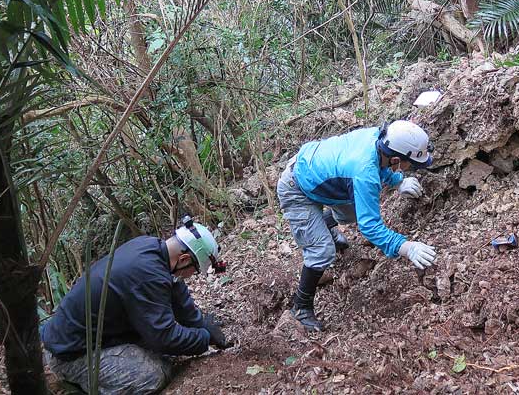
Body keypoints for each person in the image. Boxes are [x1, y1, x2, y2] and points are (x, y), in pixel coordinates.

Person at [277, 120, 437, 332]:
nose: (411, 168)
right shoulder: (364, 173)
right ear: (397, 159)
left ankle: (322, 227)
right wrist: (406, 247)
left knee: (351, 213)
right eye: (411, 164)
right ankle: (302, 306)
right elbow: (370, 227)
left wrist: (398, 180)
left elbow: (381, 164)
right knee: (322, 252)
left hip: (319, 171)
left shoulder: (378, 139)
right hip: (296, 186)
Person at [41, 216, 231, 394]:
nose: (191, 275)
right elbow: (165, 338)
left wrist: (201, 324)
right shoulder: (147, 275)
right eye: (195, 270)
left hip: (91, 337)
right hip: (72, 354)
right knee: (154, 374)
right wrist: (203, 338)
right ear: (184, 260)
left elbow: (176, 289)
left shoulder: (151, 248)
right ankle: (76, 383)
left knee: (163, 354)